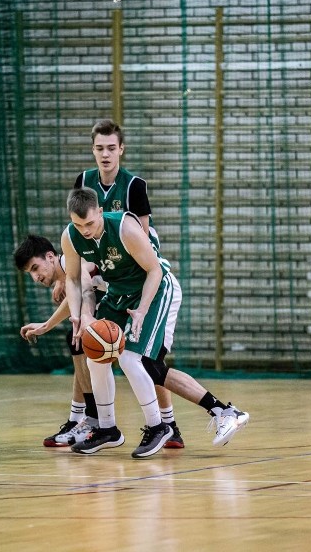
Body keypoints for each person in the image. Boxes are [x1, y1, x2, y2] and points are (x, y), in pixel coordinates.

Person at [62, 187, 249, 458]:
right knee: (97, 358)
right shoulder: (71, 236)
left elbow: (155, 271)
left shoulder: (125, 228)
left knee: (131, 359)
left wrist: (141, 311)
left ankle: (159, 426)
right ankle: (107, 429)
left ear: (100, 212)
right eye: (79, 225)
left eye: (90, 223)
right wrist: (81, 315)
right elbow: (76, 280)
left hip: (156, 290)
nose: (85, 230)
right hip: (119, 294)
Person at [68, 118, 185, 449]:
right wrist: (81, 307)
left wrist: (106, 270)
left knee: (142, 358)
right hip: (110, 273)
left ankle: (165, 423)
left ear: (121, 149)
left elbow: (143, 243)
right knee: (97, 352)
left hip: (139, 271)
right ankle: (105, 427)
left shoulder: (133, 185)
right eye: (99, 148)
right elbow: (78, 262)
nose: (105, 155)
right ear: (92, 150)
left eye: (111, 148)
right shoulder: (84, 186)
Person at [14, 234, 100, 447]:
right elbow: (75, 295)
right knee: (77, 341)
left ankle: (95, 419)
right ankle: (81, 418)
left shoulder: (74, 262)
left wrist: (50, 324)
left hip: (131, 299)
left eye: (35, 268)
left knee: (148, 365)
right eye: (30, 273)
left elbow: (85, 283)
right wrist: (46, 325)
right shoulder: (66, 270)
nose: (35, 277)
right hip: (115, 298)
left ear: (50, 256)